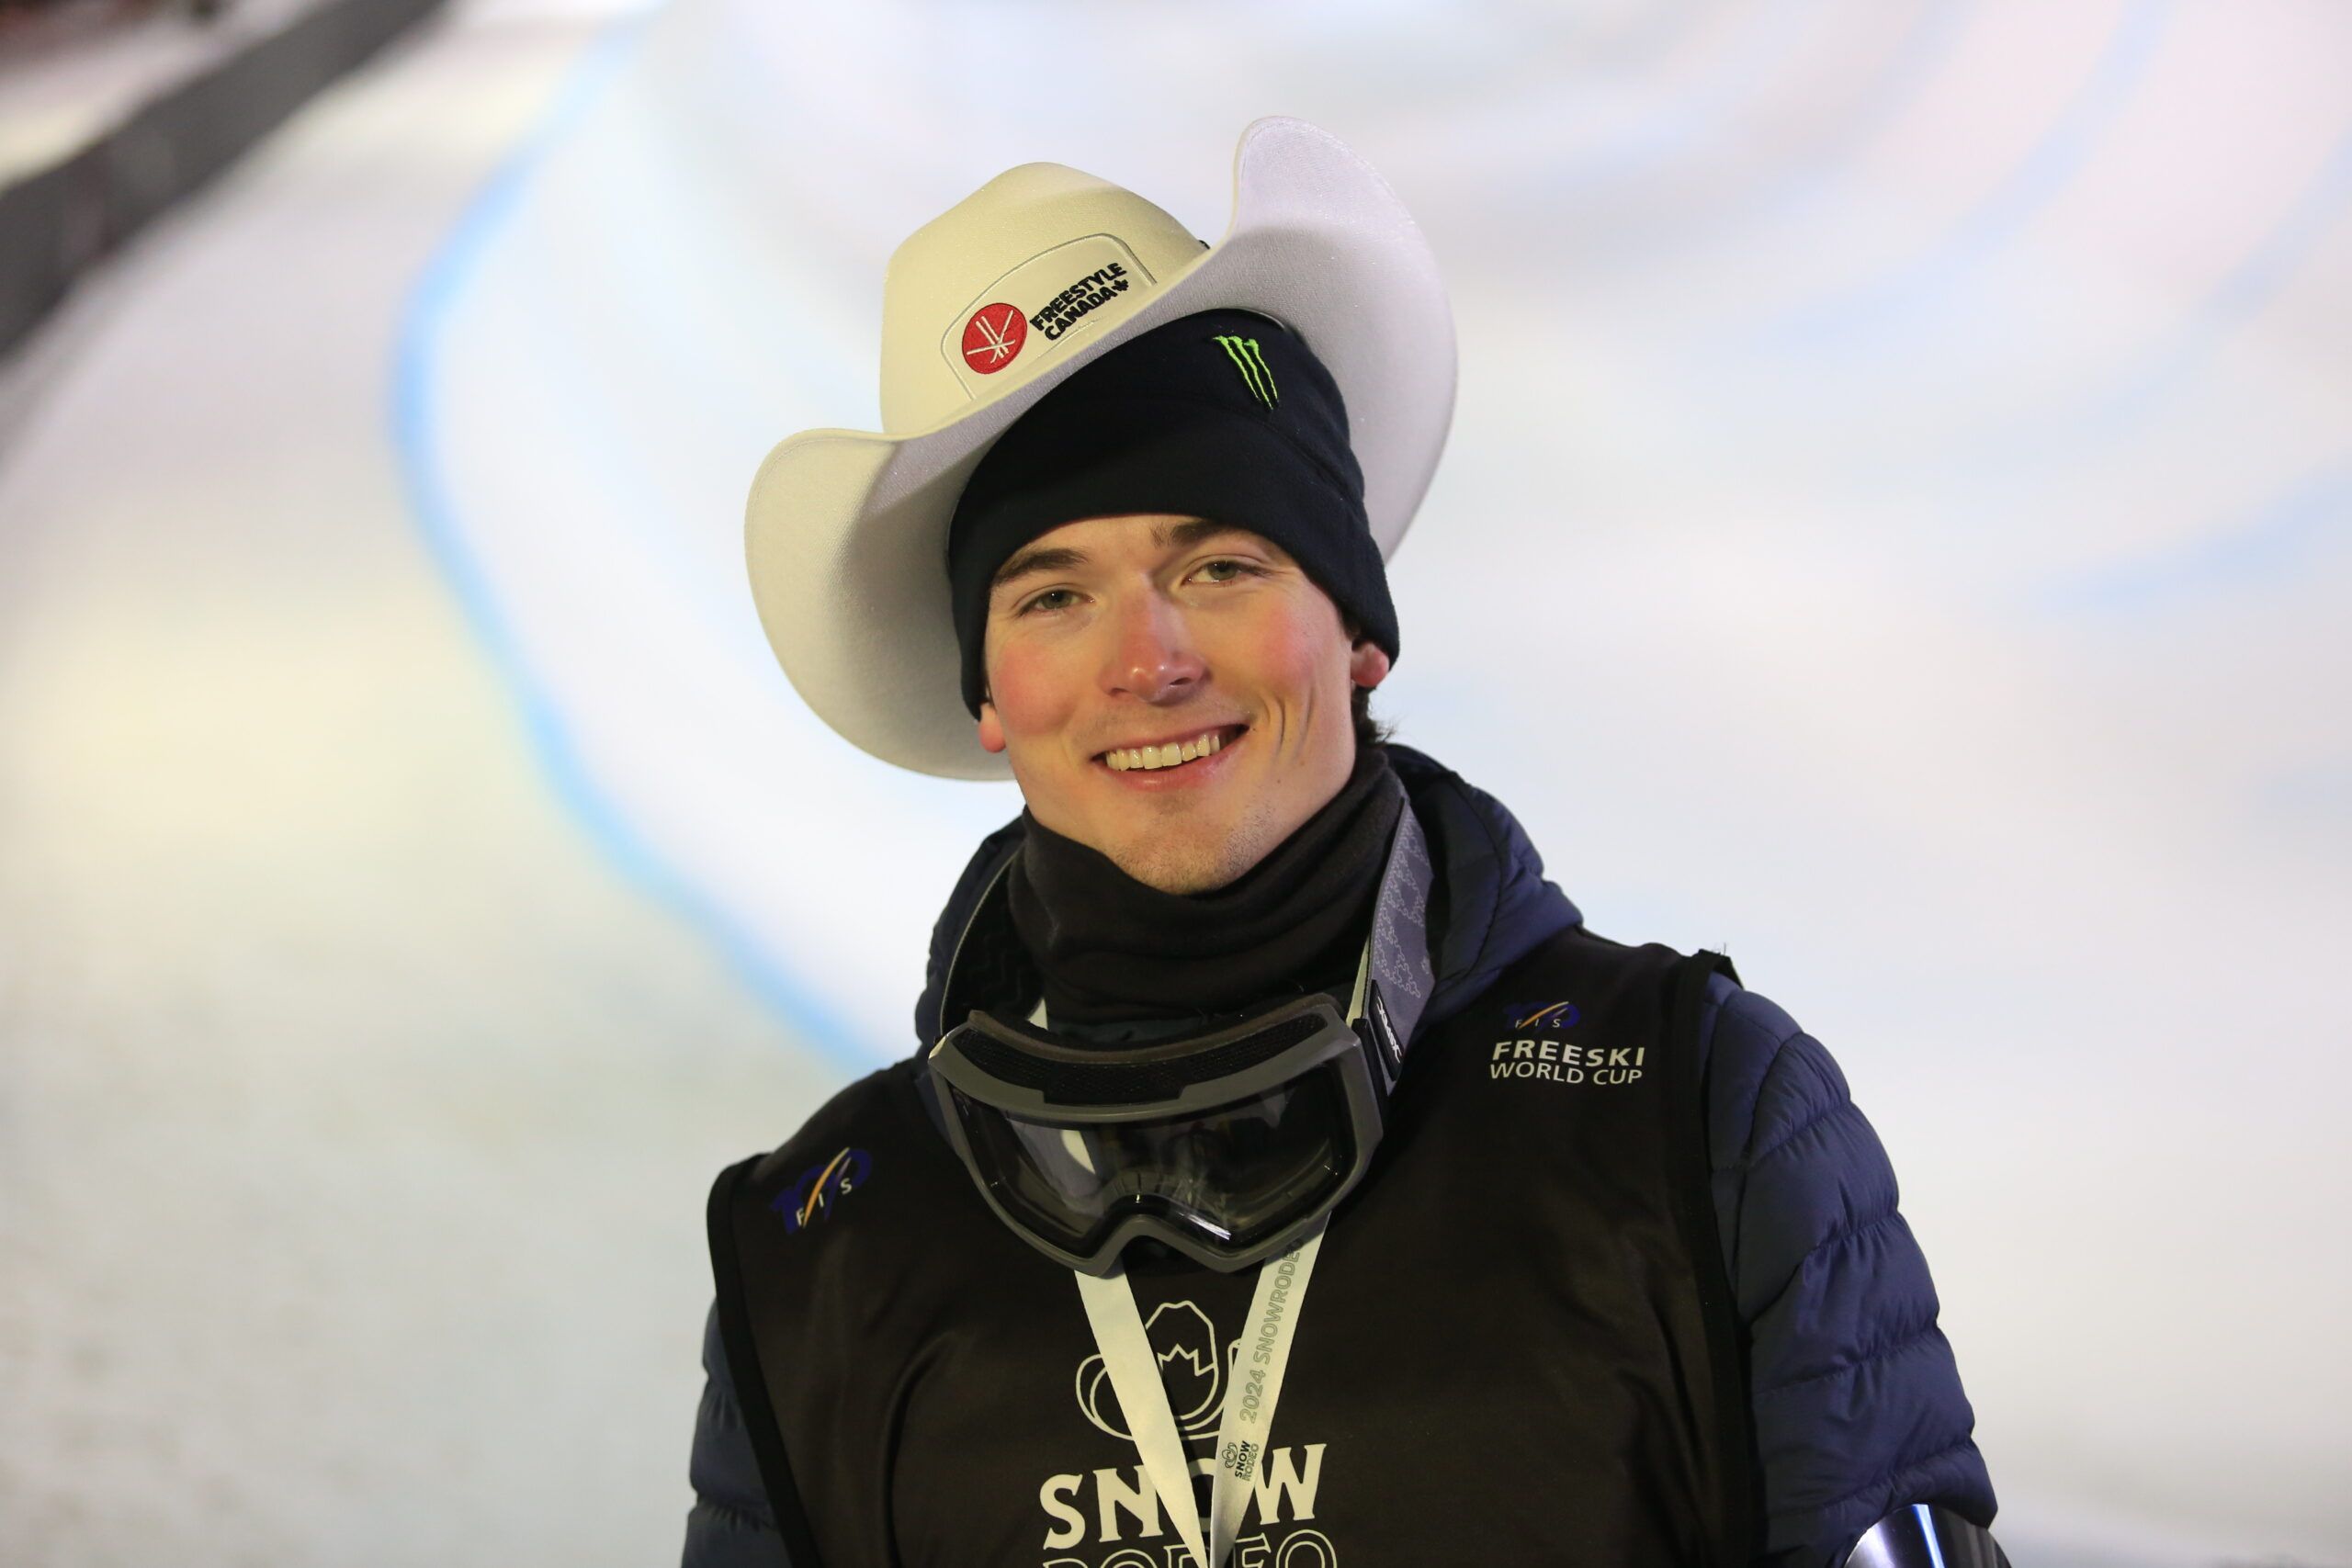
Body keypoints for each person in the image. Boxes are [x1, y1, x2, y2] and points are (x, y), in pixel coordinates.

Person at [684, 118, 2007, 1568]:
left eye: (1220, 565)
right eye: (1054, 595)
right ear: (990, 695)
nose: (1150, 658)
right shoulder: (823, 1246)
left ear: (1359, 628)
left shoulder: (1699, 1117)